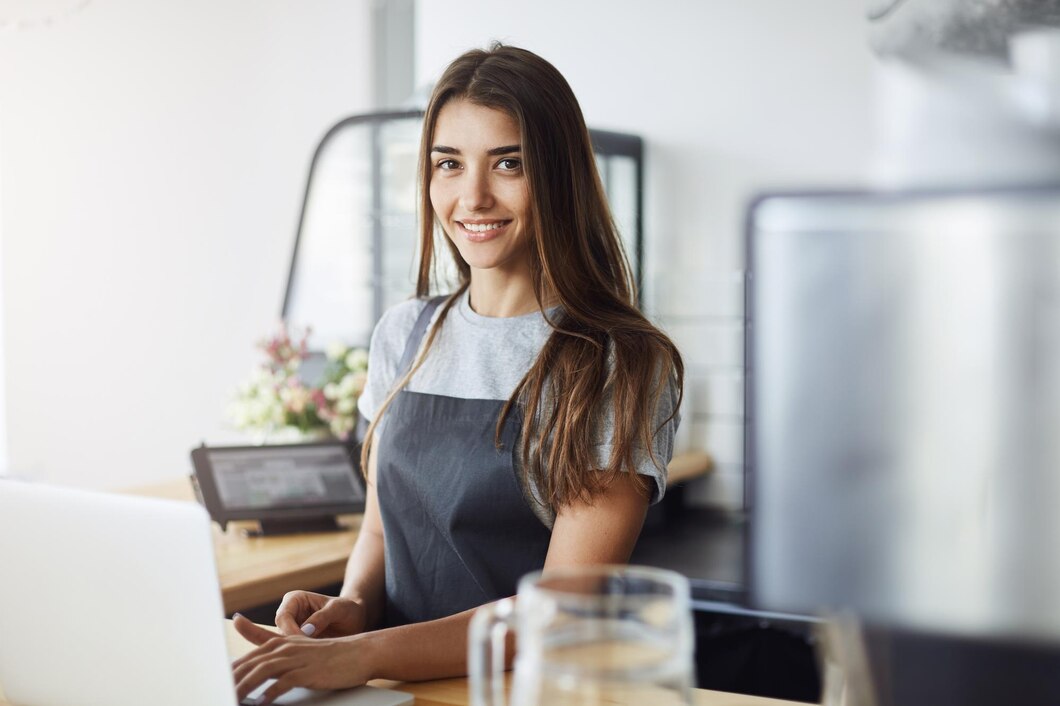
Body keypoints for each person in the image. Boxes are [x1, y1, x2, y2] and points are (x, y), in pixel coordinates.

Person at [232, 43, 683, 703]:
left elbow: (554, 611)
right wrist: (352, 606)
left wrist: (363, 654)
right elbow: (381, 530)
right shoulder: (404, 334)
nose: (472, 196)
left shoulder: (619, 362)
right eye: (449, 164)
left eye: (508, 163)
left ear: (559, 176)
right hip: (391, 689)